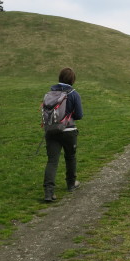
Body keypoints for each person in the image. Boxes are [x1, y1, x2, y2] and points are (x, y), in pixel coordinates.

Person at [42, 67, 83, 202]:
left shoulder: (50, 93)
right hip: (68, 131)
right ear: (72, 80)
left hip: (51, 131)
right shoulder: (73, 94)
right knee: (70, 157)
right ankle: (71, 184)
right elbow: (79, 115)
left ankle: (49, 193)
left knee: (52, 161)